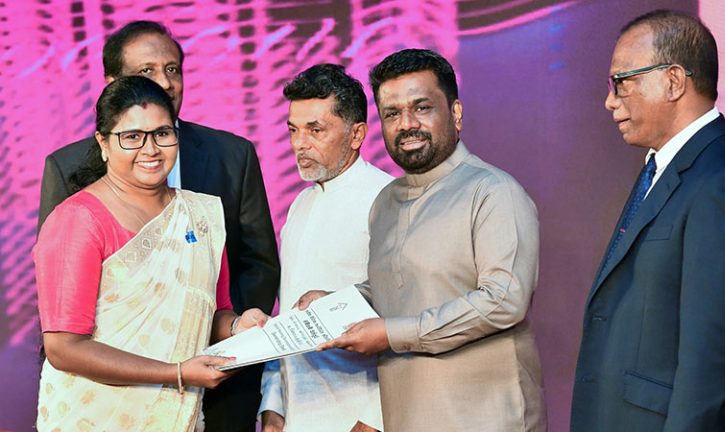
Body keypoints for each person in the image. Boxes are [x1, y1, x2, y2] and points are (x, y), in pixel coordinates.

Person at [36, 21, 280, 431]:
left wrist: (239, 325)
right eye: (132, 136)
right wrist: (178, 372)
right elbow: (63, 347)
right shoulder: (77, 219)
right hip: (94, 413)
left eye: (162, 133)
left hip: (181, 410)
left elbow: (212, 310)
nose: (150, 149)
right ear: (104, 142)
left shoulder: (201, 214)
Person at [297, 48, 547, 431]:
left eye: (422, 107)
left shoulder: (492, 190)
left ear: (456, 113)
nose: (406, 124)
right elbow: (401, 285)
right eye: (392, 114)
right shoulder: (386, 201)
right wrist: (340, 302)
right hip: (407, 415)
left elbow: (504, 299)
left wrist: (392, 334)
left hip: (486, 417)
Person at [571, 10, 725, 431]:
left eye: (622, 82)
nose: (610, 100)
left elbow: (709, 369)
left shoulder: (724, 182)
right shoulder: (665, 167)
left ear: (674, 81)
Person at [258, 64, 390, 432]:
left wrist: (376, 419)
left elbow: (407, 316)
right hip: (298, 414)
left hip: (360, 419)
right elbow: (286, 311)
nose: (300, 144)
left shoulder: (388, 200)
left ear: (356, 134)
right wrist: (273, 406)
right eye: (293, 130)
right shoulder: (300, 205)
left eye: (315, 130)